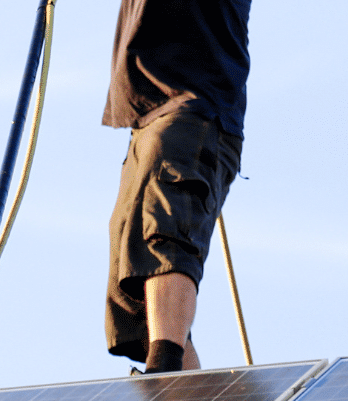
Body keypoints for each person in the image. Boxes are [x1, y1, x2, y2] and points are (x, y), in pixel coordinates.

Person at [103, 0, 252, 373]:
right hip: (150, 119)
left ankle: (165, 369)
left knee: (164, 239)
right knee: (134, 274)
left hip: (191, 111)